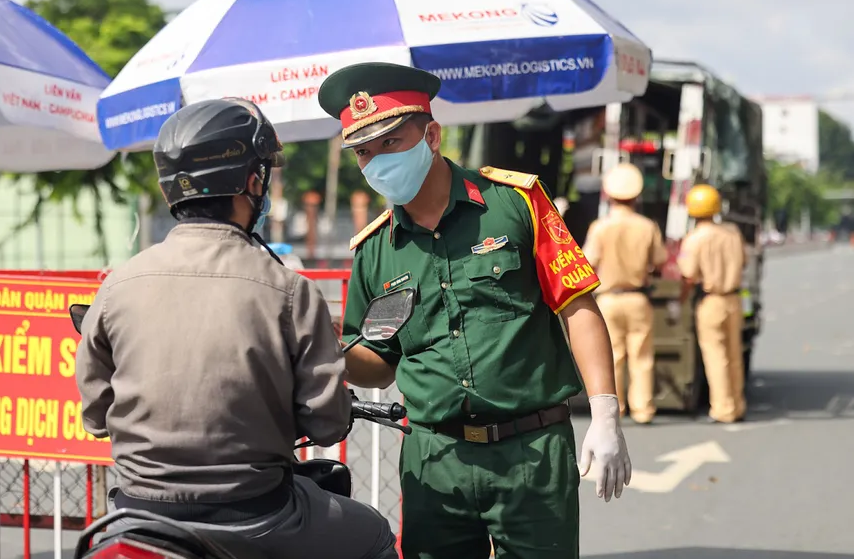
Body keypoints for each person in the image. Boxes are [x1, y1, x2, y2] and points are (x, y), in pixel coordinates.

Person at [318, 62, 632, 559]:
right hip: (435, 458)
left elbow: (577, 305)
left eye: (390, 143)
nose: (377, 162)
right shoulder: (374, 250)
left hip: (531, 451)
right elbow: (379, 365)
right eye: (363, 153)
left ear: (432, 135)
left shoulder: (516, 203)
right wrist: (329, 345)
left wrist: (605, 412)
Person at [75, 98, 398, 559]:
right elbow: (326, 423)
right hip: (257, 516)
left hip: (136, 515)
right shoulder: (289, 289)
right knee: (375, 534)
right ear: (252, 183)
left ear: (171, 192)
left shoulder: (117, 286)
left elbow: (96, 416)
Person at [582, 163, 668, 424]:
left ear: (608, 194)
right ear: (637, 195)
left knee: (612, 356)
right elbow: (660, 261)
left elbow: (587, 263)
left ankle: (616, 409)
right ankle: (643, 410)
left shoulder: (600, 227)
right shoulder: (647, 226)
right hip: (638, 298)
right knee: (641, 356)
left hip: (608, 300)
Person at [675, 184, 748, 424]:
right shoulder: (733, 233)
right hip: (734, 300)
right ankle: (737, 405)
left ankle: (722, 409)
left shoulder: (694, 240)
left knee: (716, 356)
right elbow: (744, 262)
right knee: (735, 355)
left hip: (711, 302)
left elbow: (688, 275)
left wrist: (681, 300)